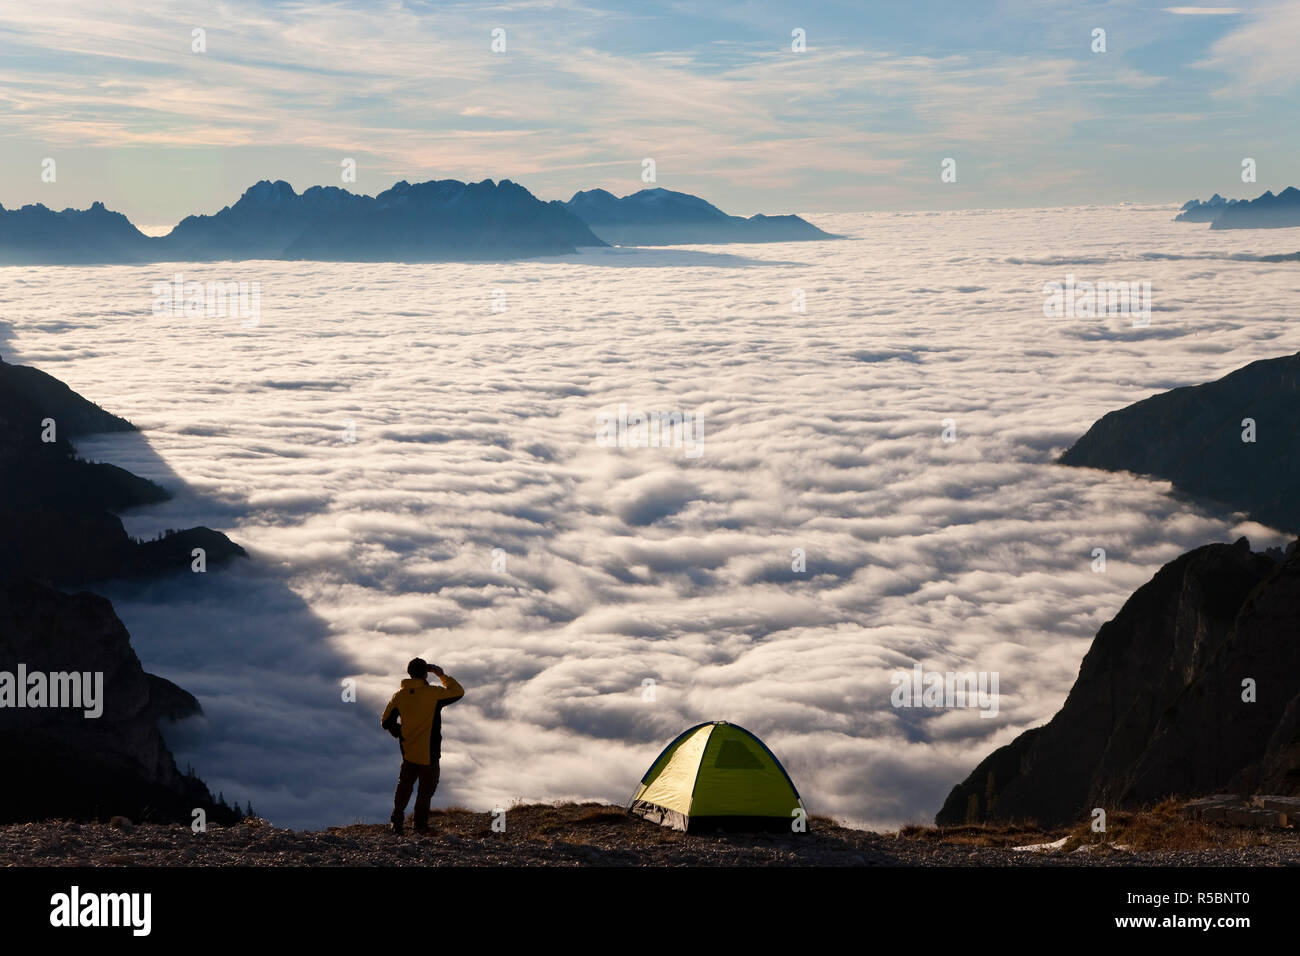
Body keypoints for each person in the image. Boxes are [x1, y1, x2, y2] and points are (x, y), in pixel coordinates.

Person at [381, 658, 465, 834]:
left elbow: (386, 721)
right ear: (426, 673)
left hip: (408, 751)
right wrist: (441, 675)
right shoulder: (433, 694)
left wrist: (401, 733)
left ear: (409, 673)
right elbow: (458, 692)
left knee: (404, 786)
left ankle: (396, 822)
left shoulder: (399, 696)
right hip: (430, 753)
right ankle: (420, 825)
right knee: (425, 791)